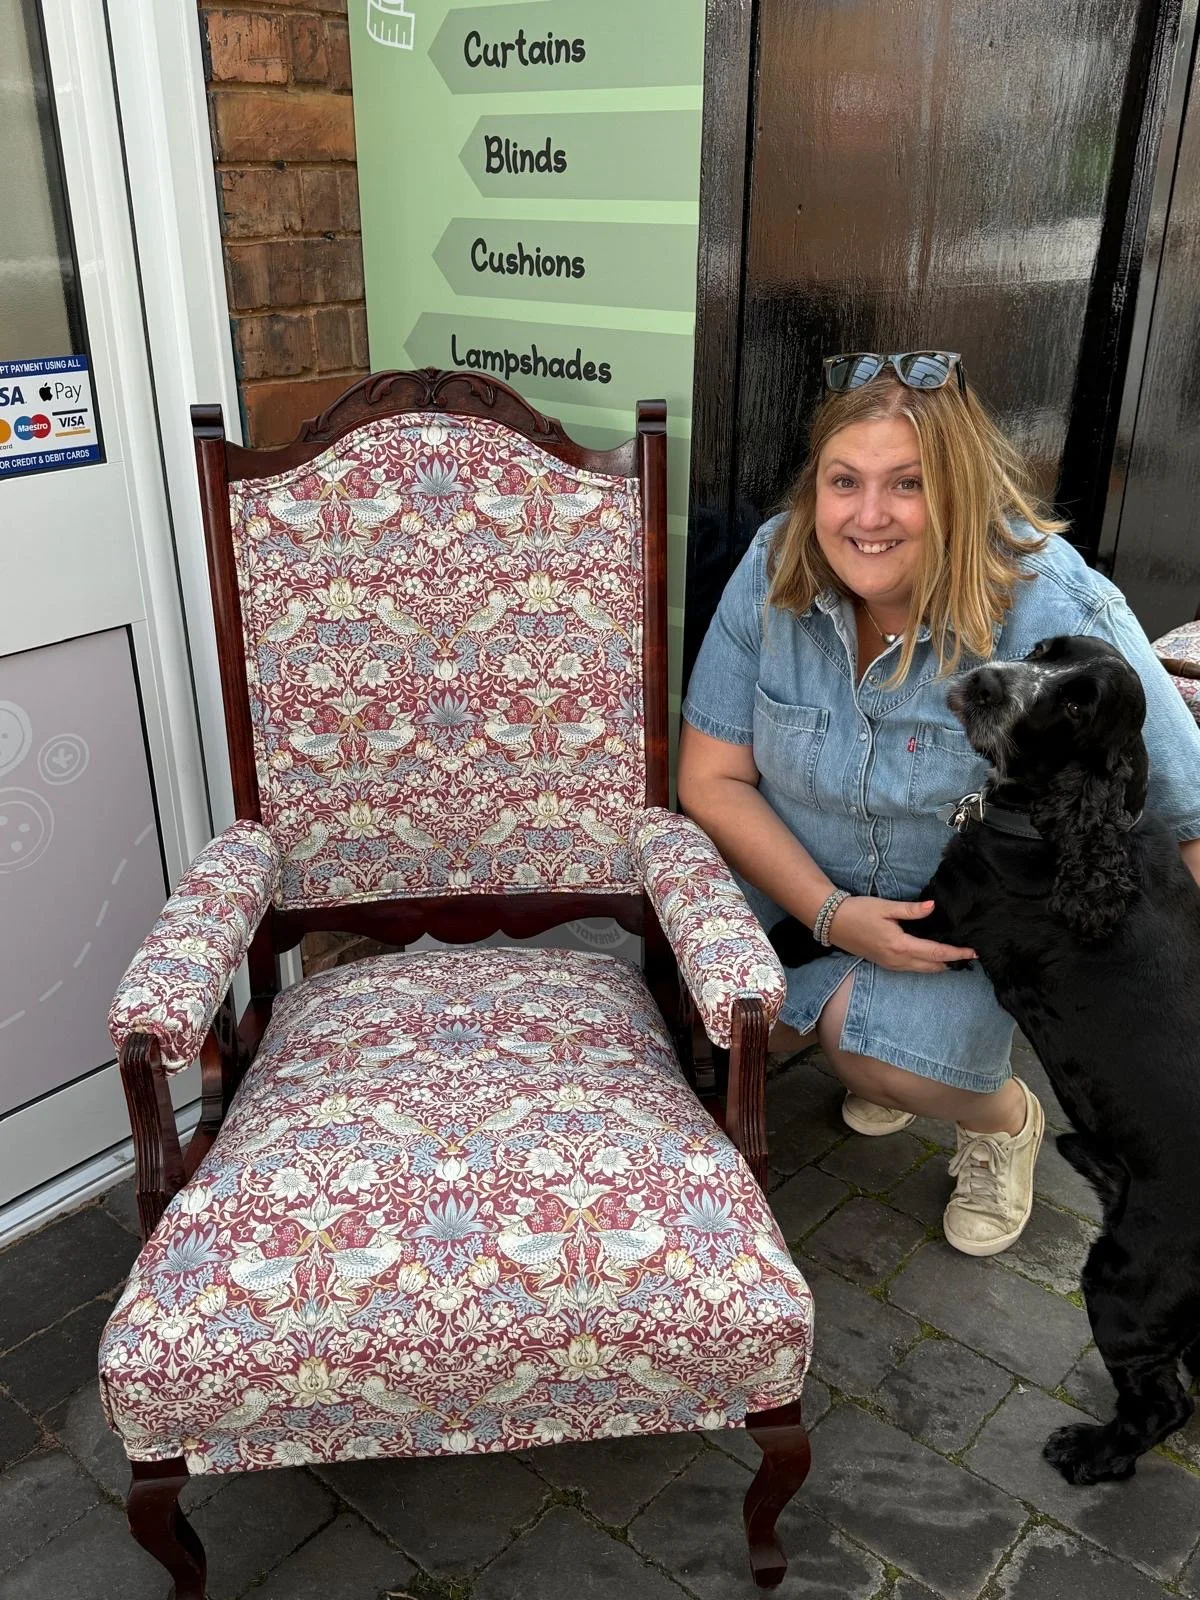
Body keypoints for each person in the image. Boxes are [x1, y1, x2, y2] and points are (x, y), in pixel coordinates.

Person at [678, 351, 1200, 1256]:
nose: (867, 516)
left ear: (960, 491)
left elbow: (1191, 823)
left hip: (959, 927)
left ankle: (1002, 1120)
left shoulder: (1057, 608)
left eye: (908, 484)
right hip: (794, 890)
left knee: (876, 1052)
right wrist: (831, 914)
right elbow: (710, 778)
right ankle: (871, 1030)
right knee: (716, 1030)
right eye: (844, 481)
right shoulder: (772, 564)